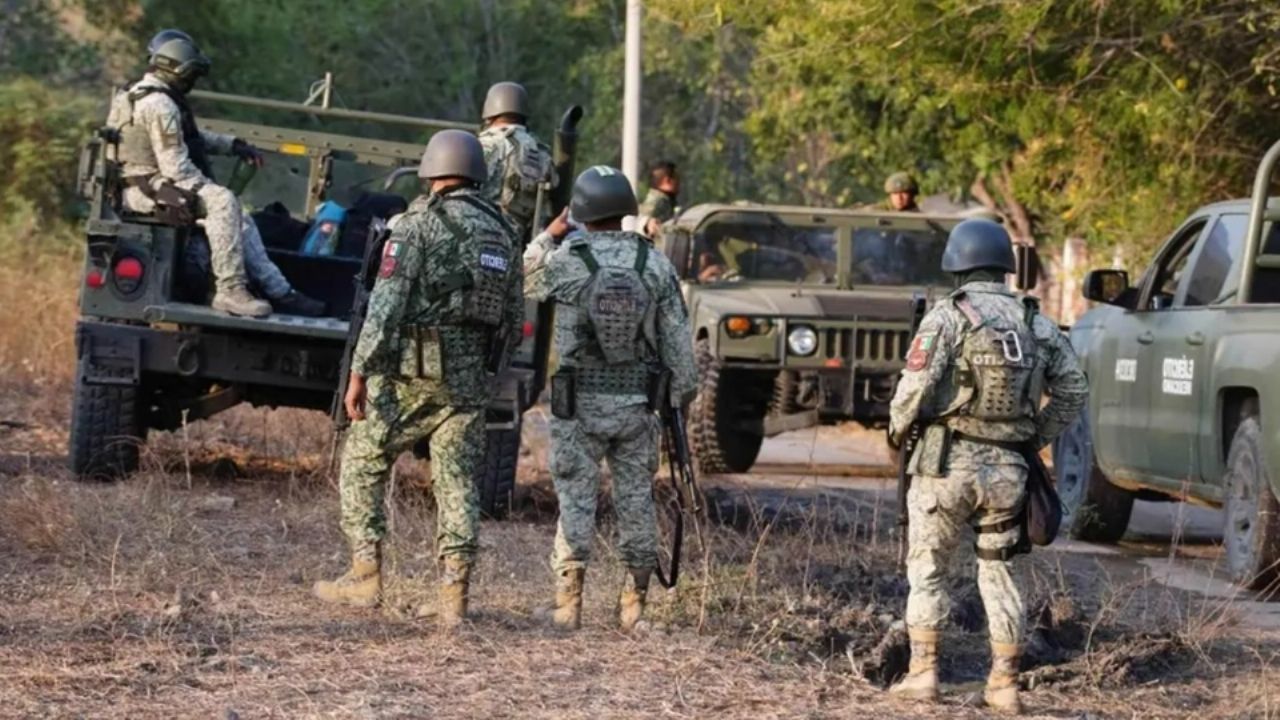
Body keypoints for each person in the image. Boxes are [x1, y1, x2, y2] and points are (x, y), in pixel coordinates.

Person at [313, 130, 523, 629]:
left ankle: (365, 575)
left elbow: (385, 308)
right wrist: (485, 369)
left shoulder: (416, 225)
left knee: (363, 458)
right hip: (470, 379)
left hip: (412, 373)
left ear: (431, 171)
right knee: (457, 483)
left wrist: (359, 372)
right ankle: (453, 599)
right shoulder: (505, 231)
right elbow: (514, 319)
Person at [886, 218, 1087, 714]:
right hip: (1009, 473)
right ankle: (1003, 684)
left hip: (944, 465)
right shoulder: (1035, 319)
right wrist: (1033, 436)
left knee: (928, 569)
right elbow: (1074, 390)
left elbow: (912, 390)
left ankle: (924, 674)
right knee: (1000, 574)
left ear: (957, 261)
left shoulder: (948, 315)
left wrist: (897, 430)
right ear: (1004, 265)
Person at [524, 166, 697, 631]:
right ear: (626, 210)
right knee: (637, 500)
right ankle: (634, 607)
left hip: (577, 406)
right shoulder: (655, 265)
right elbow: (681, 354)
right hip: (638, 406)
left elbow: (524, 276)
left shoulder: (568, 260)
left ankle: (568, 605)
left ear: (581, 211)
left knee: (575, 498)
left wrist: (548, 234)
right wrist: (677, 400)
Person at [107, 33, 325, 317]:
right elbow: (176, 167)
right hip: (147, 190)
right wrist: (212, 192)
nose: (193, 81)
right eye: (192, 74)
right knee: (223, 201)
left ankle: (280, 291)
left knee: (239, 216)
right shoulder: (160, 105)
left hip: (140, 186)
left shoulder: (137, 94)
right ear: (177, 70)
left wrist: (232, 144)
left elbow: (188, 138)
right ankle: (230, 290)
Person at [477, 81, 554, 240]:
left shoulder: (483, 146)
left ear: (489, 114)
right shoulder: (542, 152)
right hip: (526, 242)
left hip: (483, 237)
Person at [637, 160, 680, 238]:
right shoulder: (658, 201)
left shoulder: (665, 200)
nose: (679, 183)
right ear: (667, 181)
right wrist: (647, 224)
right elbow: (642, 219)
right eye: (676, 178)